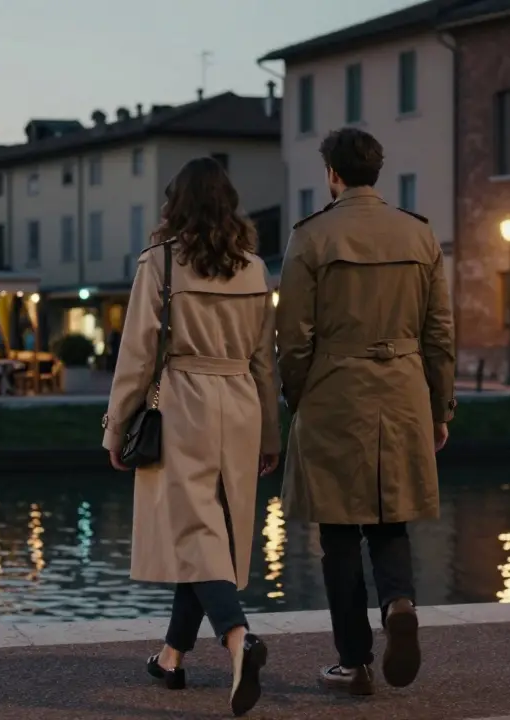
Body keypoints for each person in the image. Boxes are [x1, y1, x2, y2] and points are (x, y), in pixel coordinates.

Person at [276, 128, 455, 696]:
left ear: (332, 173)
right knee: (390, 517)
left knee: (338, 533)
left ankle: (354, 662)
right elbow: (440, 332)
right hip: (403, 389)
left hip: (335, 388)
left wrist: (299, 396)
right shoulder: (420, 234)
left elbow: (293, 336)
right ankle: (399, 602)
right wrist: (440, 405)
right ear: (376, 172)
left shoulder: (311, 236)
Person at [102, 157, 281, 717]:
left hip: (184, 401)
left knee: (196, 530)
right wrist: (272, 433)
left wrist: (115, 428)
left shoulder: (161, 263)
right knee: (210, 532)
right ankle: (171, 657)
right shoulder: (254, 269)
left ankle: (237, 639)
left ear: (174, 204)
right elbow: (265, 362)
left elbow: (136, 355)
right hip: (242, 402)